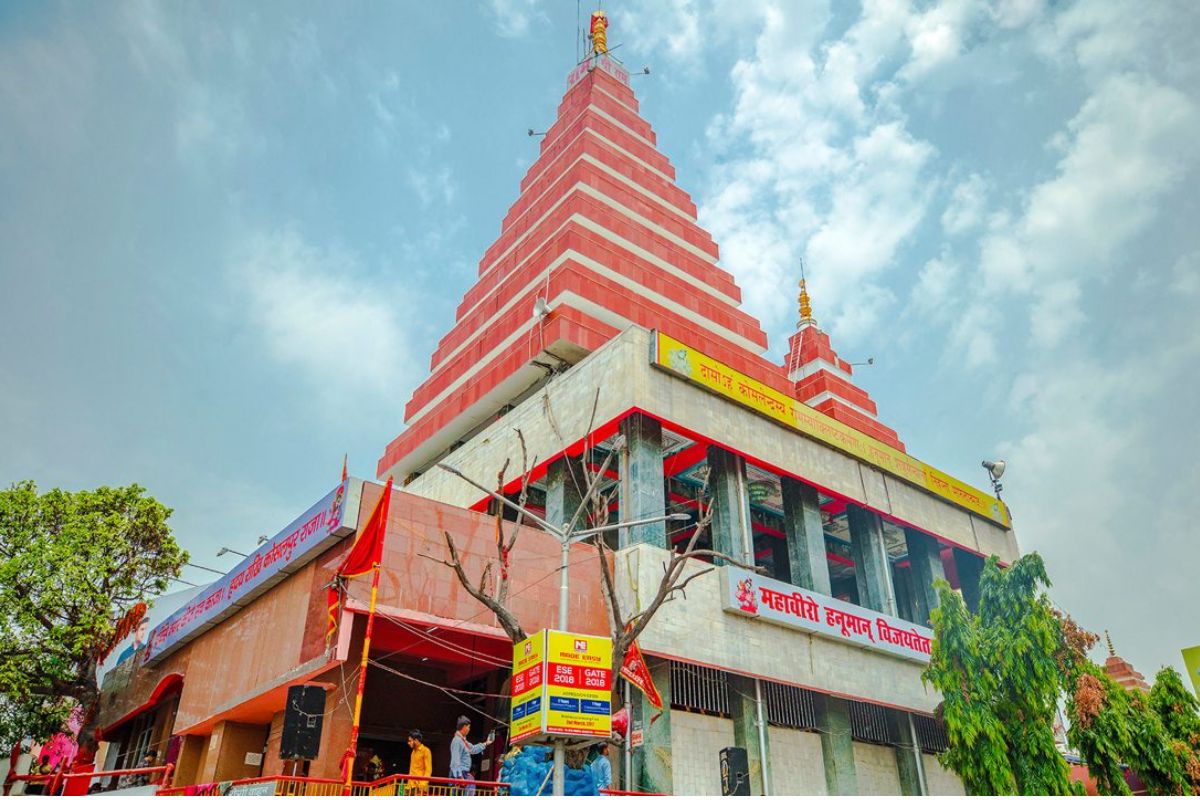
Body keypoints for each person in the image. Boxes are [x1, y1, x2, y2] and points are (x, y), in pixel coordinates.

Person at [449, 716, 493, 795]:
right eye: (468, 727)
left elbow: (473, 749)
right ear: (464, 727)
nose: (469, 729)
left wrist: (486, 743)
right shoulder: (457, 741)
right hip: (459, 774)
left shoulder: (463, 741)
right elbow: (455, 761)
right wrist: (460, 777)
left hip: (463, 774)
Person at [406, 730, 432, 794]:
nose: (408, 743)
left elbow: (428, 770)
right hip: (411, 786)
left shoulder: (425, 751)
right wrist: (408, 786)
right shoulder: (413, 752)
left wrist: (422, 784)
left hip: (420, 787)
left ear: (416, 740)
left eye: (410, 741)